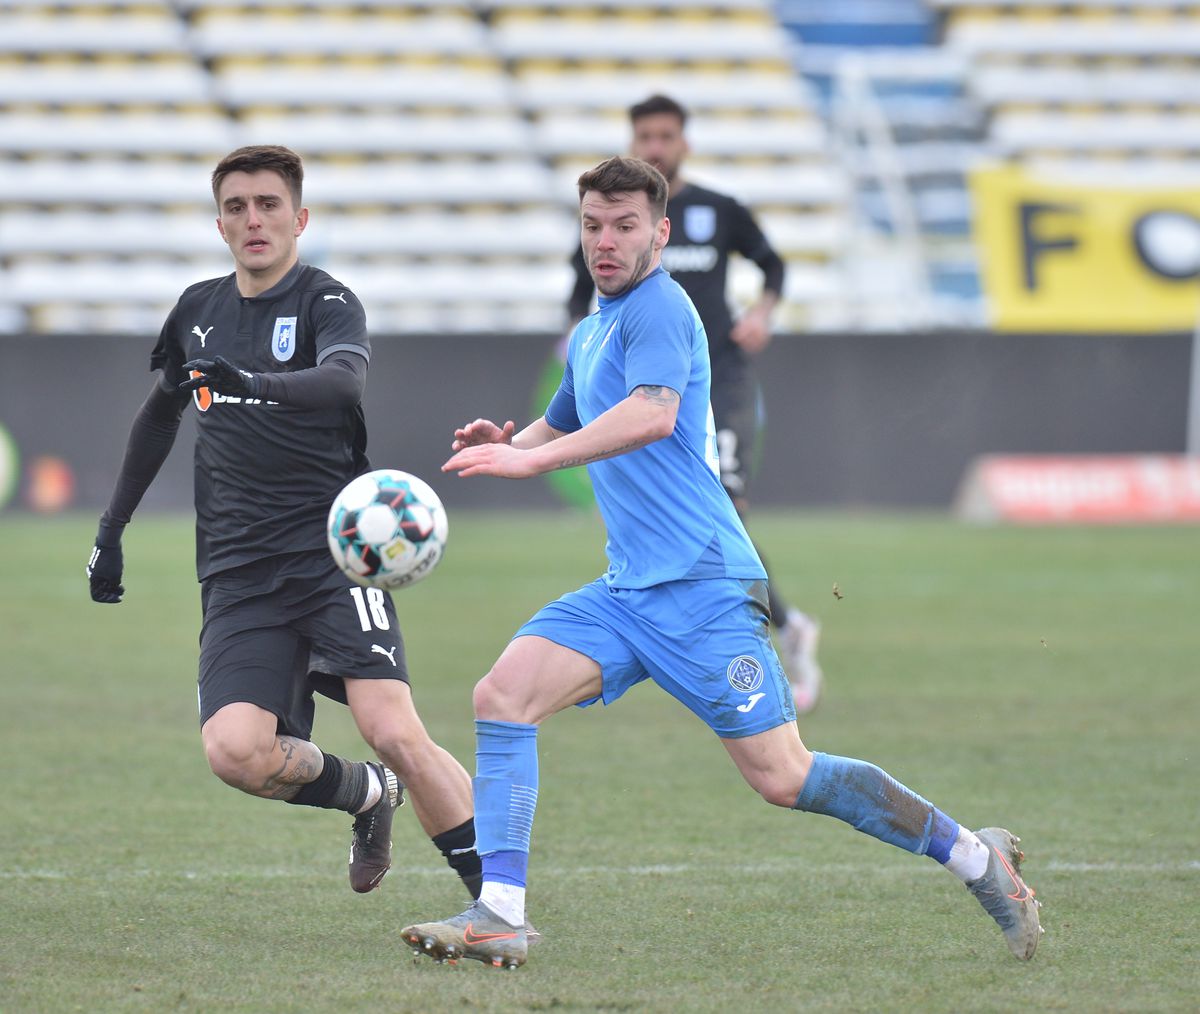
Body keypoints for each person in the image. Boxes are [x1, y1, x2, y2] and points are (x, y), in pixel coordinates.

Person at [401, 156, 1041, 969]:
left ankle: (979, 861)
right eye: (593, 225)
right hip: (627, 592)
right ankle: (500, 914)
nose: (606, 240)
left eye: (625, 225)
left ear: (660, 232)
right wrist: (511, 441)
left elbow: (652, 414)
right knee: (502, 696)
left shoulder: (660, 308)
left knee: (783, 777)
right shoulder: (596, 327)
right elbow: (560, 419)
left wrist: (532, 463)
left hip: (702, 584)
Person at [85, 144, 488, 905]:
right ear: (220, 225)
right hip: (238, 570)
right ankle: (369, 793)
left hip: (332, 555)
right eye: (236, 207)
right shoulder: (197, 311)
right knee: (235, 752)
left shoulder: (327, 301)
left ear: (299, 219)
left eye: (269, 204)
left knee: (394, 730)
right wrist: (111, 531)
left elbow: (343, 381)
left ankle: (496, 901)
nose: (253, 220)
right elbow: (159, 415)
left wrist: (252, 382)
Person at [567, 94, 823, 713]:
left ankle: (756, 642)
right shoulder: (613, 222)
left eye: (666, 136)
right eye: (645, 136)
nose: (655, 146)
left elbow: (773, 264)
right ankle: (784, 624)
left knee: (723, 503)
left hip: (715, 385)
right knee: (684, 511)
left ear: (684, 142)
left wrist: (762, 312)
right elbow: (578, 295)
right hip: (644, 386)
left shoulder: (718, 209)